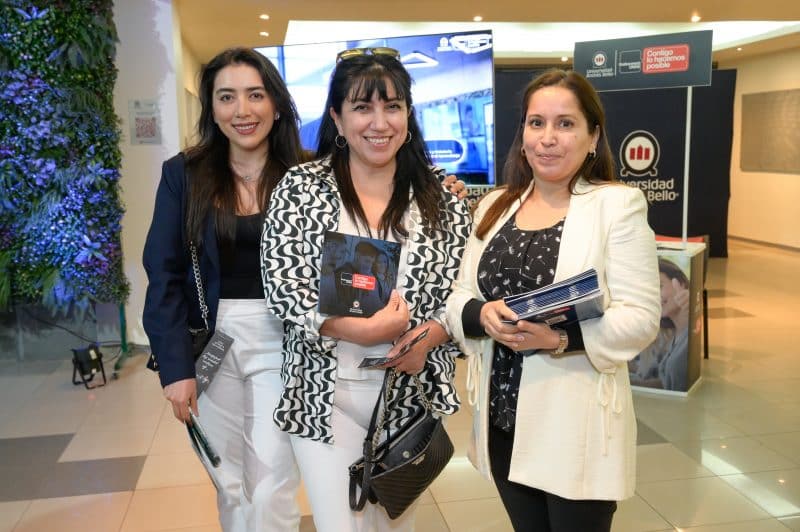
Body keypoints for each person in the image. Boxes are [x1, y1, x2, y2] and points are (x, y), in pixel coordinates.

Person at [260, 47, 471, 532]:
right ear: (337, 117)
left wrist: (430, 337)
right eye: (362, 107)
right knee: (342, 525)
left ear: (409, 114)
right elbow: (282, 283)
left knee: (395, 524)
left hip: (410, 396)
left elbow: (463, 291)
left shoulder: (443, 197)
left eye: (392, 106)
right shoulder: (301, 188)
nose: (379, 123)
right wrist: (356, 330)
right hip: (323, 393)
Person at [445, 68, 661, 532]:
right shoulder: (494, 206)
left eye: (565, 124)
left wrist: (558, 339)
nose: (548, 138)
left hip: (574, 426)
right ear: (522, 134)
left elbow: (642, 318)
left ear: (592, 136)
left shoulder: (616, 206)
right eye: (536, 123)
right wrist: (481, 314)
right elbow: (460, 293)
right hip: (502, 419)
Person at [142, 47, 306, 531]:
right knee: (229, 480)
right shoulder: (184, 173)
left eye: (255, 95)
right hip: (211, 339)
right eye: (227, 97)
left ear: (276, 104)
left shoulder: (307, 174)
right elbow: (164, 273)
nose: (242, 110)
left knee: (272, 482)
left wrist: (442, 191)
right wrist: (175, 369)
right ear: (211, 108)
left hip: (286, 336)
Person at [656, 258, 690, 391]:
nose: (655, 296)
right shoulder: (674, 336)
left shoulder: (689, 335)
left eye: (659, 286)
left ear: (680, 283)